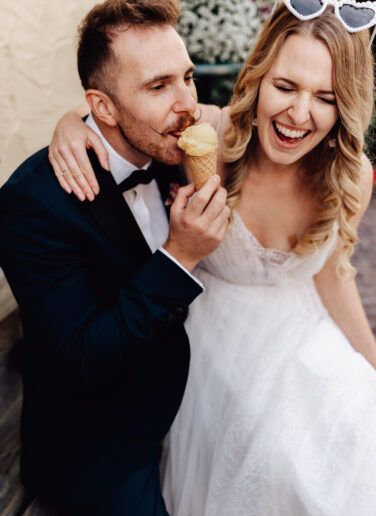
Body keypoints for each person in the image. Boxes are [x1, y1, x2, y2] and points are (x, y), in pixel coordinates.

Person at [49, 1, 376, 514]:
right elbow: (122, 115)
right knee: (285, 461)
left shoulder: (351, 176)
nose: (298, 114)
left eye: (326, 97)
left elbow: (334, 279)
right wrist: (70, 123)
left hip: (306, 334)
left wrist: (372, 363)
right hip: (214, 343)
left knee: (358, 442)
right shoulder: (208, 137)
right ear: (258, 76)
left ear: (347, 105)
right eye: (285, 86)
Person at [0, 1, 231, 514]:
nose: (187, 103)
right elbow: (80, 359)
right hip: (101, 446)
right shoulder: (31, 205)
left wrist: (69, 118)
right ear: (102, 107)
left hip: (193, 400)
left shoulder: (171, 145)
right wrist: (179, 256)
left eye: (187, 77)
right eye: (158, 86)